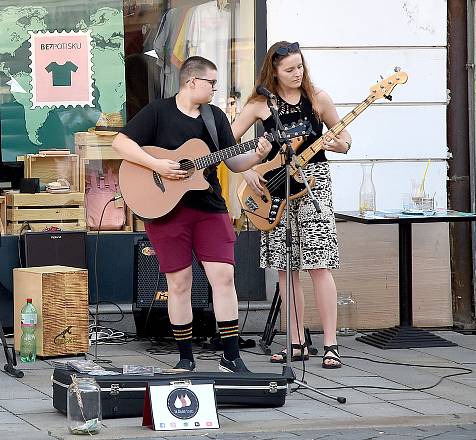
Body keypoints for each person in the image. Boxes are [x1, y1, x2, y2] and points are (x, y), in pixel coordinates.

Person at [112, 56, 271, 373]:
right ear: (191, 81)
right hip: (167, 211)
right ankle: (185, 357)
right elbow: (120, 142)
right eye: (211, 82)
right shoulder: (158, 112)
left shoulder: (216, 118)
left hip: (209, 207)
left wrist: (256, 155)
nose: (215, 88)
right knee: (180, 283)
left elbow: (233, 162)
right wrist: (157, 165)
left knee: (224, 277)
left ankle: (231, 355)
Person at [230, 41, 351, 369]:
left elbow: (346, 141)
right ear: (274, 71)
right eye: (289, 69)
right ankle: (296, 341)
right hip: (276, 186)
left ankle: (330, 343)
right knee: (285, 269)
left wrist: (336, 143)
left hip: (314, 182)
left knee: (319, 263)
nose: (297, 74)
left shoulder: (318, 99)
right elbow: (230, 141)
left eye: (300, 67)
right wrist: (252, 168)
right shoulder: (259, 104)